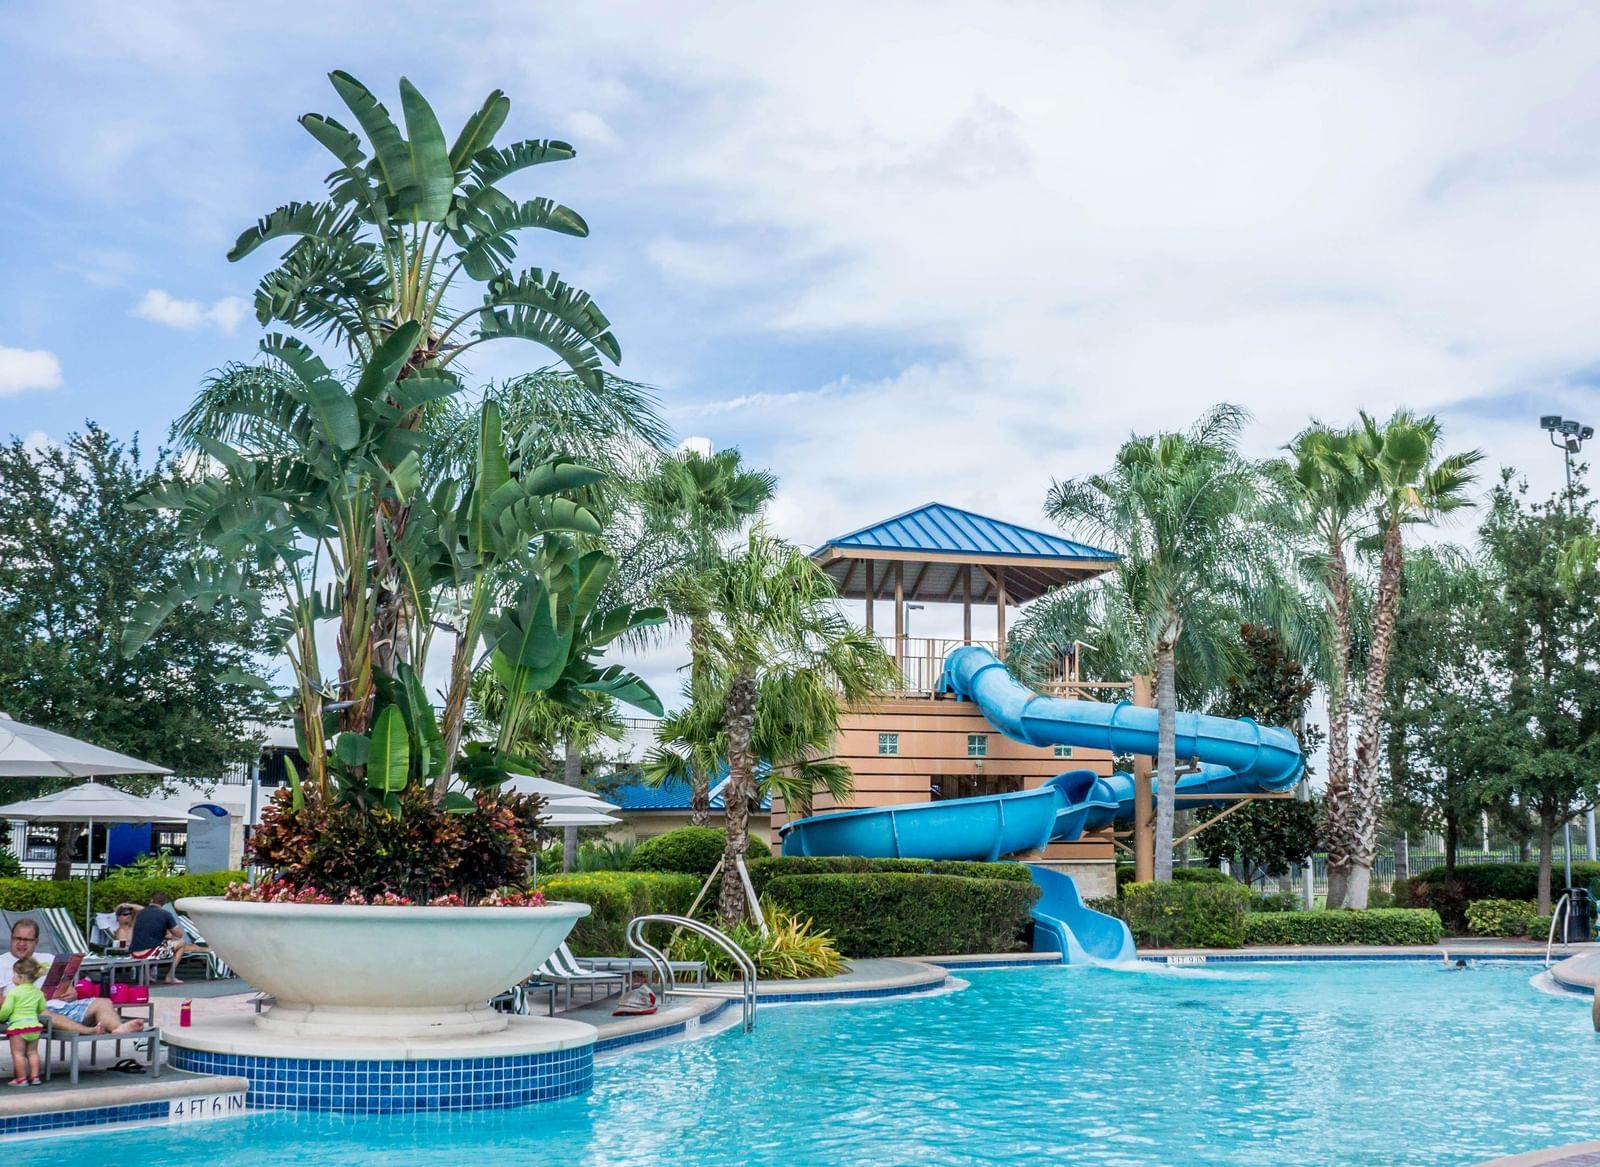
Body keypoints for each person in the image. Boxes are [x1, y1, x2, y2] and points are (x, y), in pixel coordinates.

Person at [0, 919, 143, 1036]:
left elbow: (67, 986)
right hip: (30, 1012)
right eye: (17, 938)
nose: (21, 943)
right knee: (42, 1011)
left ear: (36, 942)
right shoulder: (2, 963)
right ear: (11, 938)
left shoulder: (48, 959)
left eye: (27, 940)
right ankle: (89, 1031)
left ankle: (118, 1029)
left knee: (103, 1002)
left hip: (62, 1006)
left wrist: (71, 992)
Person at [127, 891, 204, 985]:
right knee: (181, 943)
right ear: (163, 903)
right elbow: (178, 934)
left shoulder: (140, 913)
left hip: (133, 953)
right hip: (150, 953)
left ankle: (149, 973)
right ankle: (169, 976)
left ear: (151, 900)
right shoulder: (165, 914)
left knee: (159, 943)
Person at [0, 957, 45, 1086]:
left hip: (18, 1028)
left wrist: (1, 1018)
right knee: (32, 1053)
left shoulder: (14, 992)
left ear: (21, 976)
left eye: (13, 974)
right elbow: (41, 1008)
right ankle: (35, 1077)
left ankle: (21, 1079)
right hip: (34, 1027)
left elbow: (6, 1010)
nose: (12, 977)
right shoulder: (38, 992)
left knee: (17, 1054)